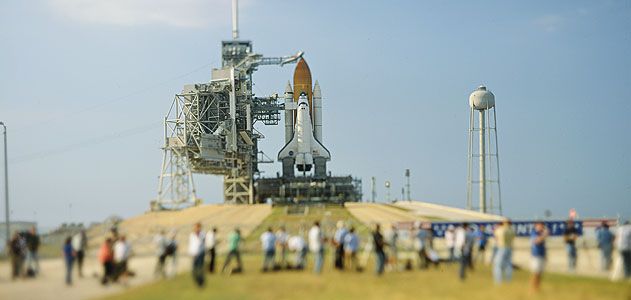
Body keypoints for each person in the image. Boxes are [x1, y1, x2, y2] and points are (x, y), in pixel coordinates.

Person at [493, 219, 515, 283]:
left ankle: (498, 282)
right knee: (508, 265)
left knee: (498, 265)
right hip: (509, 248)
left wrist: (496, 229)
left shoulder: (500, 230)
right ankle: (508, 281)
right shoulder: (511, 230)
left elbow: (496, 237)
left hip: (501, 248)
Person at [530, 221, 548, 292]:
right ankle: (532, 289)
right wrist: (544, 234)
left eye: (542, 226)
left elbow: (543, 245)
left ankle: (537, 288)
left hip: (541, 255)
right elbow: (537, 241)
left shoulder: (541, 234)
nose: (541, 227)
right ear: (536, 226)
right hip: (536, 256)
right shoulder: (534, 233)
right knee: (535, 274)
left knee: (540, 274)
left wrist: (545, 255)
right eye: (540, 226)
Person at [188, 222, 206, 287]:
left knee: (200, 268)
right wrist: (190, 253)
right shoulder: (191, 235)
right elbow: (191, 245)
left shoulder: (202, 234)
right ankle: (197, 281)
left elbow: (201, 242)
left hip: (200, 254)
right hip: (193, 254)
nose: (196, 229)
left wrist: (198, 234)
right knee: (193, 270)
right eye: (195, 227)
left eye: (197, 227)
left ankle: (201, 282)